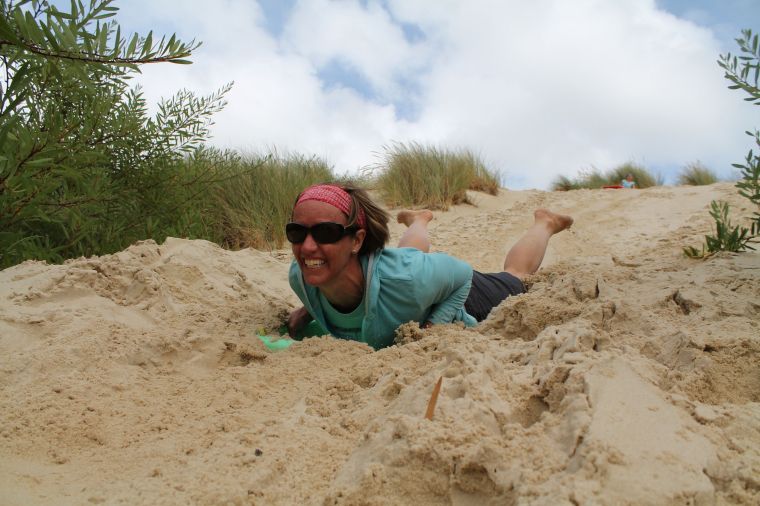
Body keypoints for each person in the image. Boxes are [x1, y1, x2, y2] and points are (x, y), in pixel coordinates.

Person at [286, 183, 573, 349]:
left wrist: (435, 326)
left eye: (325, 233)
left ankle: (545, 222)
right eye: (297, 232)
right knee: (406, 258)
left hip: (458, 296)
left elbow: (461, 274)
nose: (307, 247)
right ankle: (419, 220)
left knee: (515, 277)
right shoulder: (301, 277)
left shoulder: (408, 278)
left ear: (357, 240)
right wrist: (310, 308)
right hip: (405, 274)